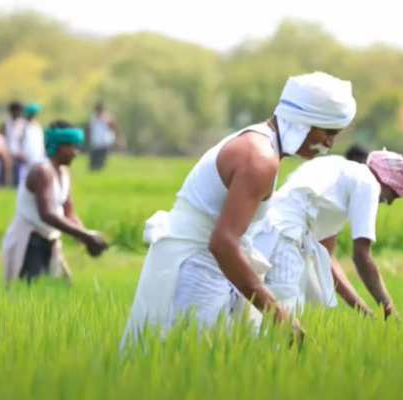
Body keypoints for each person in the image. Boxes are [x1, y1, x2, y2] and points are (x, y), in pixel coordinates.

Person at [121, 71, 357, 347]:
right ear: (303, 122)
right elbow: (223, 243)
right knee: (185, 363)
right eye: (328, 132)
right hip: (199, 268)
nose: (329, 144)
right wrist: (279, 317)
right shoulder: (259, 157)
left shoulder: (261, 146)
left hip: (210, 264)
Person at [251, 150, 403, 318]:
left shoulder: (338, 169)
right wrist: (388, 307)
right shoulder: (368, 183)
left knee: (257, 309)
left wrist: (362, 310)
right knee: (286, 314)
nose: (389, 203)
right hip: (285, 240)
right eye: (391, 196)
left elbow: (327, 259)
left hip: (259, 232)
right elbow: (362, 257)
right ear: (385, 181)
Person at [1, 120, 110, 285]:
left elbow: (69, 212)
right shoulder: (42, 172)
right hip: (30, 242)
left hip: (49, 240)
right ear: (57, 146)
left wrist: (86, 238)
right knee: (30, 294)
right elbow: (48, 215)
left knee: (59, 290)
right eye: (72, 147)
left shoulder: (64, 172)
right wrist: (86, 236)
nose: (76, 152)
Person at [17, 103, 46, 185]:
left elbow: (41, 143)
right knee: (24, 178)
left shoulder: (38, 126)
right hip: (26, 158)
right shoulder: (23, 126)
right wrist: (20, 153)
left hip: (38, 156)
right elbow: (18, 141)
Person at [0, 101, 26, 186]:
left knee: (18, 171)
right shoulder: (6, 123)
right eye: (15, 111)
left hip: (19, 152)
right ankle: (5, 186)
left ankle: (16, 186)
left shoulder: (23, 124)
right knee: (5, 169)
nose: (17, 113)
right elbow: (1, 136)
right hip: (7, 150)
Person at [87, 101, 118, 172]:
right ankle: (93, 172)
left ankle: (99, 172)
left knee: (101, 160)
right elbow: (90, 129)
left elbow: (113, 127)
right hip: (95, 142)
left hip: (104, 142)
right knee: (93, 160)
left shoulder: (107, 117)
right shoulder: (93, 118)